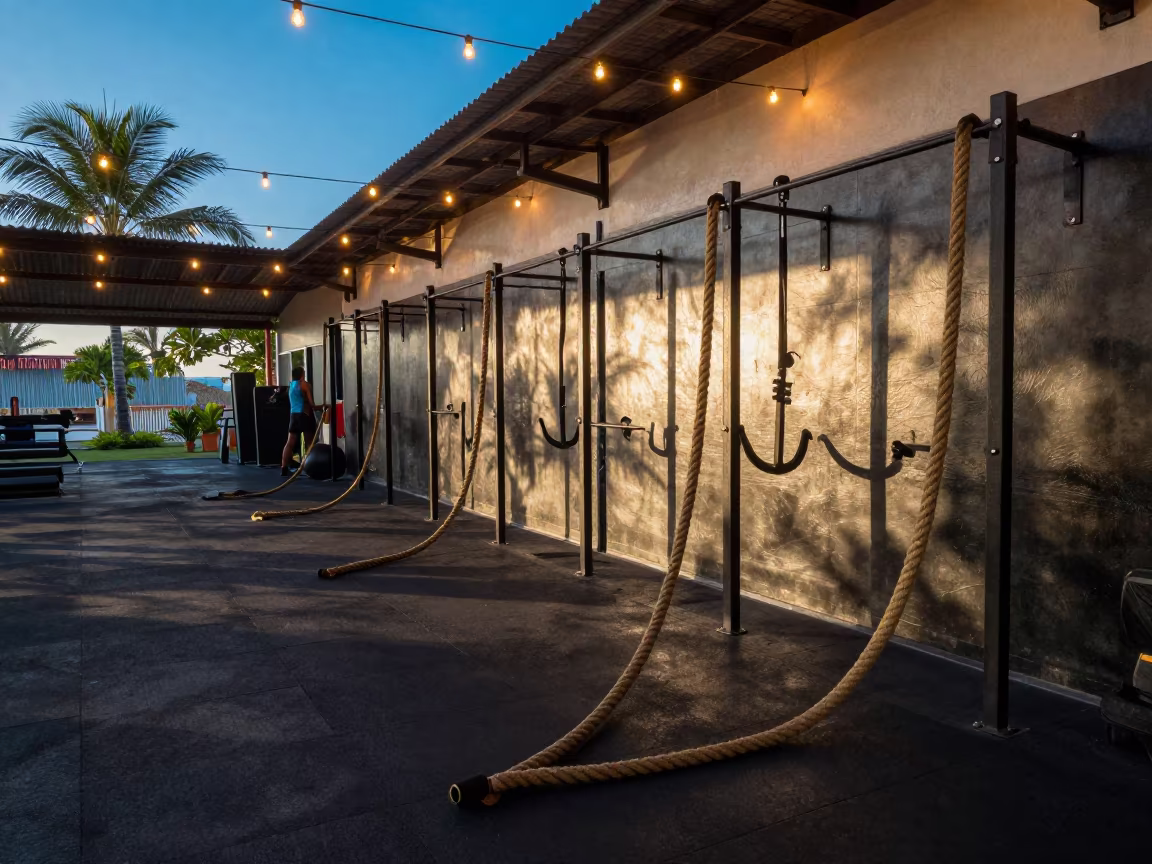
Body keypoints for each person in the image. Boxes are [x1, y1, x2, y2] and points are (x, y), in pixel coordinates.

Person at [281, 367, 317, 476]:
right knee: (309, 443)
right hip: (304, 415)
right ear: (302, 374)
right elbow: (312, 404)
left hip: (294, 416)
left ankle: (283, 467)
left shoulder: (291, 386)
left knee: (290, 442)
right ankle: (310, 468)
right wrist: (323, 406)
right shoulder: (304, 385)